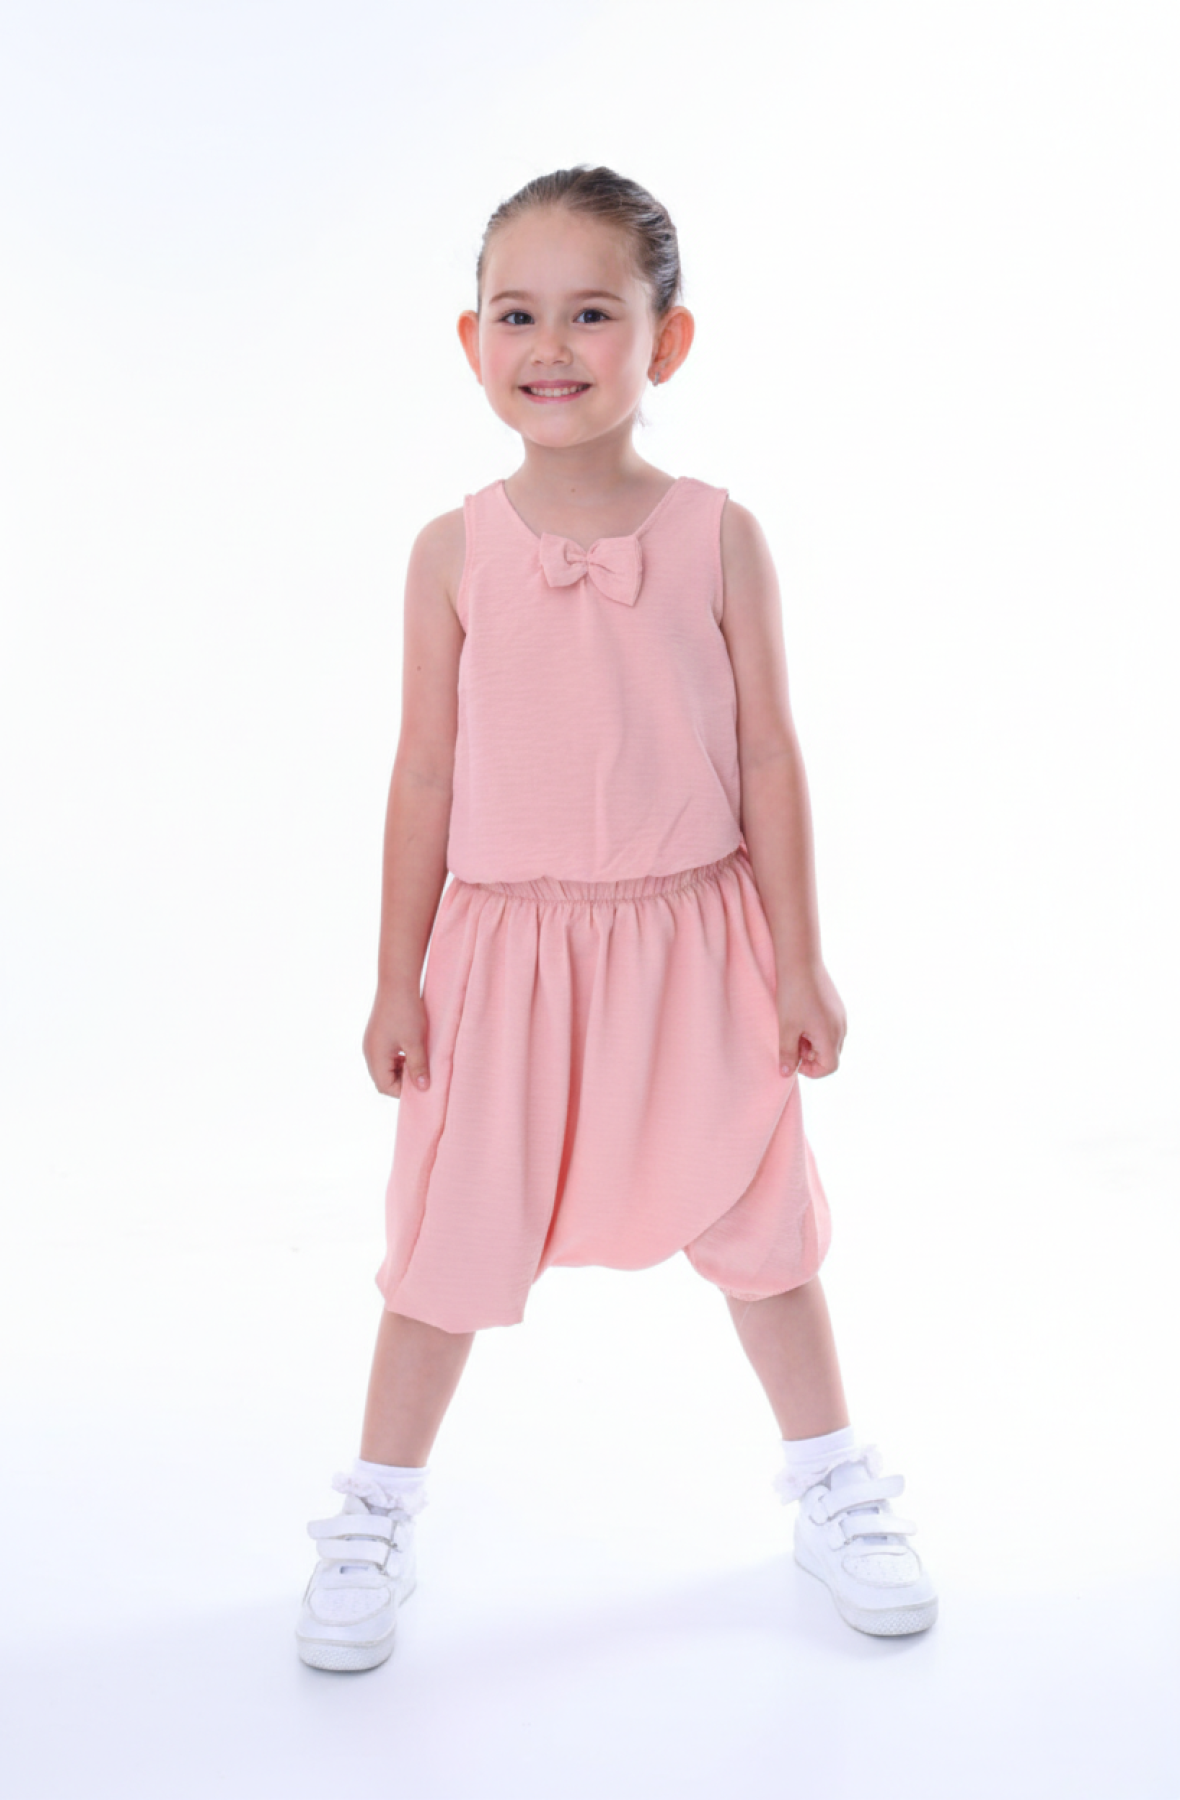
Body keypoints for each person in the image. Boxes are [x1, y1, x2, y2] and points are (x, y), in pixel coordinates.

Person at [295, 165, 937, 1673]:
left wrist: (799, 958)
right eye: (517, 315)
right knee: (448, 1237)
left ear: (668, 340)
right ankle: (374, 1509)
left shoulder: (719, 534)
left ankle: (835, 1485)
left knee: (766, 1224)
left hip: (695, 945)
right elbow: (424, 770)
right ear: (472, 344)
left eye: (593, 313)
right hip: (505, 957)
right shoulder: (452, 551)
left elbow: (769, 755)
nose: (553, 346)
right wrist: (396, 978)